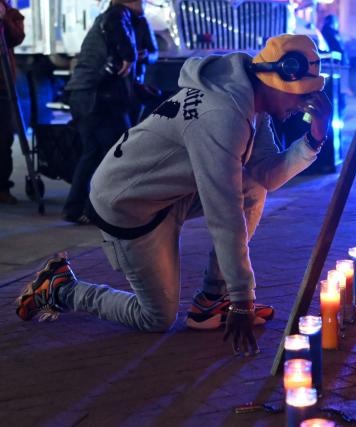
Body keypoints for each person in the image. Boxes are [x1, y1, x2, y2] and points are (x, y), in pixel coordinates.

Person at [16, 34, 332, 356]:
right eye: (300, 96)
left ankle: (210, 302)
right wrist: (241, 299)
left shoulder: (251, 99)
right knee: (155, 317)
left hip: (169, 192)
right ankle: (61, 288)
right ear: (275, 81)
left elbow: (266, 175)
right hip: (128, 206)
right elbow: (224, 214)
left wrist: (313, 140)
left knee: (251, 186)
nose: (301, 106)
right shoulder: (222, 116)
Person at [62, 0, 142, 224]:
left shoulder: (112, 18)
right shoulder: (117, 14)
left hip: (84, 94)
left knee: (94, 153)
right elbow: (115, 25)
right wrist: (130, 54)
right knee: (117, 152)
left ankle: (78, 207)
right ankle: (97, 209)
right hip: (95, 97)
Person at [0, 0, 25, 205]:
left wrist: (4, 18)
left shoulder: (10, 12)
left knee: (4, 139)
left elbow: (17, 37)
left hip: (2, 86)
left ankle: (2, 187)